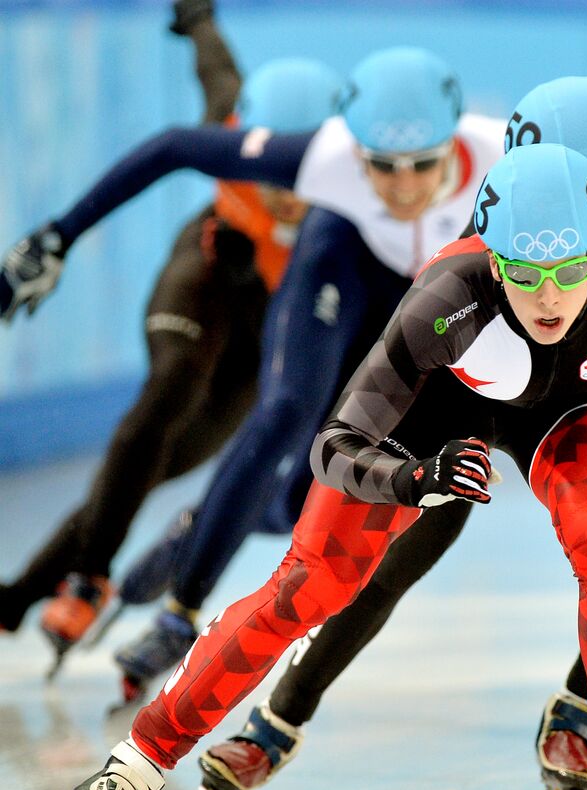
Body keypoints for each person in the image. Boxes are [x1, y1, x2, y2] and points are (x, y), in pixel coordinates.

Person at [49, 141, 587, 790]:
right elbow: (335, 444)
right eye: (525, 274)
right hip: (435, 419)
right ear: (492, 259)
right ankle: (142, 758)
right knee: (308, 585)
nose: (549, 297)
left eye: (568, 272)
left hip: (566, 410)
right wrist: (412, 480)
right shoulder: (444, 298)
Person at [154, 80, 587, 790]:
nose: (581, 197)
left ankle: (581, 705)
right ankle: (281, 714)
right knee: (397, 546)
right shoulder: (496, 210)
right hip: (473, 378)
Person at [0, 46, 507, 695]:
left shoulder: (503, 150)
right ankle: (180, 614)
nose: (403, 186)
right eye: (380, 166)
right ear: (351, 147)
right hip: (344, 265)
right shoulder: (318, 155)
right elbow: (174, 146)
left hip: (408, 297)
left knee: (315, 491)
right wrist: (56, 236)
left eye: (423, 165)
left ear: (454, 142)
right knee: (284, 413)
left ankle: (196, 526)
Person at [0, 0, 342, 677]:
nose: (285, 193)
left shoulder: (360, 181)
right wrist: (198, 16)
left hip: (271, 322)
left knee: (166, 463)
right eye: (270, 167)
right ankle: (88, 576)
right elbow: (215, 74)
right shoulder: (232, 130)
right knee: (170, 387)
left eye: (297, 173)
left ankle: (16, 599)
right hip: (209, 271)